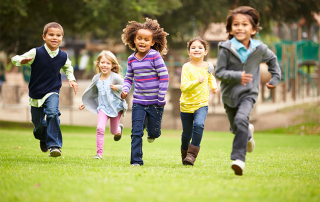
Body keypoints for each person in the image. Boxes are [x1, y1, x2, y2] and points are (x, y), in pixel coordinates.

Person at [215, 6, 281, 175]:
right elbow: (219, 72)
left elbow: (273, 61)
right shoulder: (225, 48)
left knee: (241, 119)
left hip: (248, 93)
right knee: (236, 127)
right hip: (229, 95)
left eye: (245, 24)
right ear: (230, 29)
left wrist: (274, 78)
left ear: (253, 30)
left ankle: (239, 160)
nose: (240, 28)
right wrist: (237, 76)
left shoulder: (259, 49)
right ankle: (248, 136)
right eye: (236, 24)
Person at [11, 22, 78, 157]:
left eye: (58, 35)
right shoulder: (36, 52)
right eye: (51, 34)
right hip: (36, 92)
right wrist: (21, 61)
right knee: (39, 124)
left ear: (62, 38)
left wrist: (71, 79)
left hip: (53, 90)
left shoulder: (63, 56)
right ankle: (43, 136)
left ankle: (55, 146)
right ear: (44, 37)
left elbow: (68, 68)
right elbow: (15, 58)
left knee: (53, 113)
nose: (55, 37)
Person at [121, 18, 169, 166]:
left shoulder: (155, 56)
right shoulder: (131, 59)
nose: (142, 42)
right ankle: (136, 161)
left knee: (154, 133)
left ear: (152, 42)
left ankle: (152, 130)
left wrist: (161, 96)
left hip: (156, 102)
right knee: (136, 132)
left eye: (146, 39)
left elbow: (164, 76)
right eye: (139, 38)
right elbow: (129, 78)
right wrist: (125, 89)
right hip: (138, 102)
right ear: (134, 40)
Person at [79, 50, 128, 159]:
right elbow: (92, 92)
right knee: (100, 128)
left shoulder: (115, 77)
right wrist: (85, 103)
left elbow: (126, 86)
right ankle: (99, 154)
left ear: (112, 65)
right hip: (103, 108)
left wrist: (117, 88)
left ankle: (118, 129)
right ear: (98, 64)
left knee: (113, 131)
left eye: (108, 63)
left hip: (116, 108)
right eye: (102, 62)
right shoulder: (96, 78)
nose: (104, 65)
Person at [180, 37, 218, 166]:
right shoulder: (186, 67)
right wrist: (197, 81)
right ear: (189, 52)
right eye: (193, 47)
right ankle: (184, 154)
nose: (197, 49)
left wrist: (214, 86)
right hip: (186, 105)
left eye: (200, 47)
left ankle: (191, 155)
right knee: (186, 134)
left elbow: (210, 78)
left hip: (201, 104)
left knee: (199, 125)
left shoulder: (209, 66)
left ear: (205, 51)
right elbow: (183, 87)